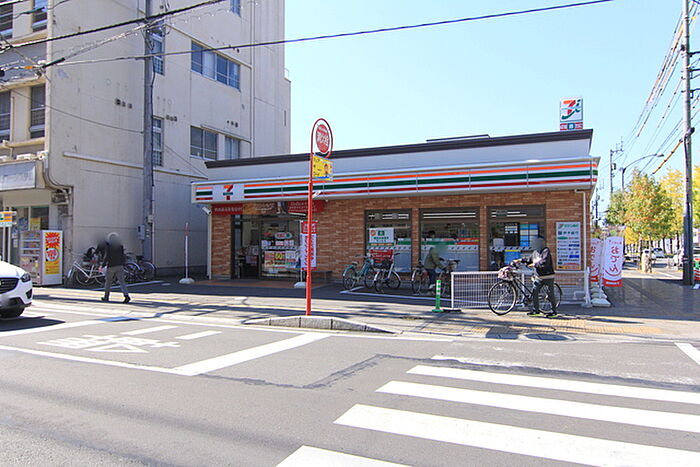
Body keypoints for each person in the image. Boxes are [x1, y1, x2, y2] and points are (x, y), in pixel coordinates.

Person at [526, 235, 558, 318]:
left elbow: (544, 262)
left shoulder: (546, 251)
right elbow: (528, 260)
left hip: (548, 276)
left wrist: (534, 265)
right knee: (534, 292)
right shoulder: (535, 252)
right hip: (539, 277)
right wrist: (519, 260)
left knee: (550, 294)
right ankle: (536, 310)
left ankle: (554, 311)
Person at [101, 232, 131, 303]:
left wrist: (103, 265)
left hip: (111, 266)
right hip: (120, 265)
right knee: (122, 282)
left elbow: (106, 256)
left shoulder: (109, 247)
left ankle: (106, 297)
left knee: (108, 282)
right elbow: (122, 256)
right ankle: (126, 295)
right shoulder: (120, 246)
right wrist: (124, 263)